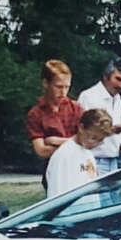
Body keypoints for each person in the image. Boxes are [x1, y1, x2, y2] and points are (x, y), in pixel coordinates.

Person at [25, 60, 85, 188]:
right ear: (46, 83)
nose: (63, 92)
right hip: (54, 171)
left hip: (79, 169)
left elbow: (86, 141)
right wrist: (74, 143)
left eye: (67, 87)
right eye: (58, 86)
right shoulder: (35, 114)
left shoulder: (76, 108)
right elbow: (41, 151)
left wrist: (53, 140)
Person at [45, 108, 114, 198]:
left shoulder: (88, 153)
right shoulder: (64, 155)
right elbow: (57, 195)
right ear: (81, 127)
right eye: (93, 138)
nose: (95, 143)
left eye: (100, 140)